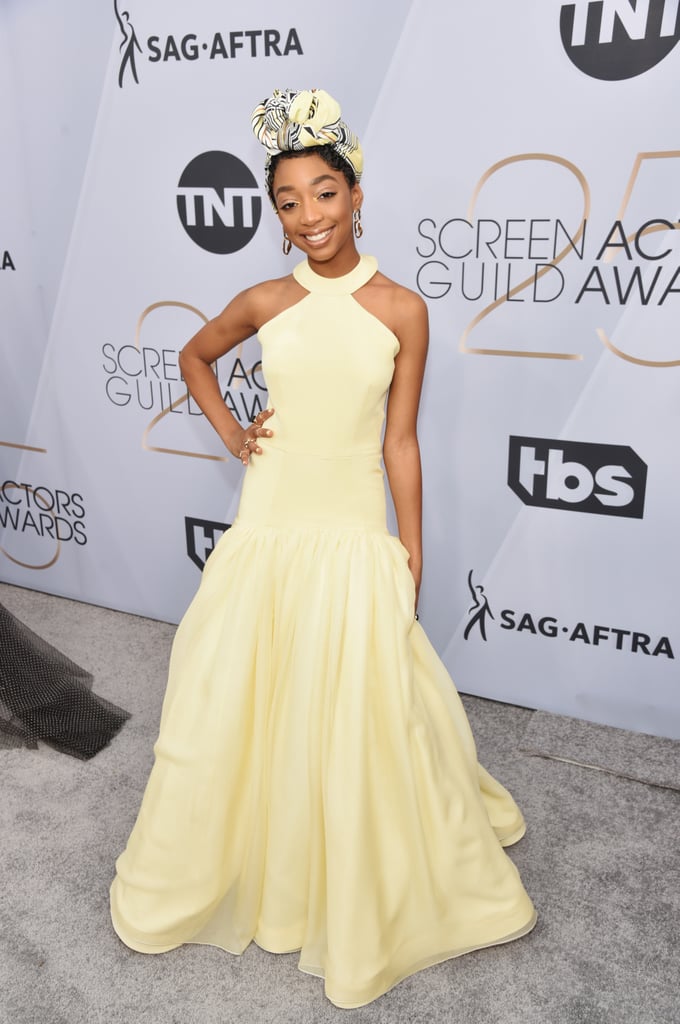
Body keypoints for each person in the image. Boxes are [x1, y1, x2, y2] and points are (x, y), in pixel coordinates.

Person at [110, 88, 536, 1008]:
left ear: (356, 195)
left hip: (349, 526)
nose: (309, 217)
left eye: (325, 193)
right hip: (269, 520)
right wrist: (234, 434)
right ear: (276, 213)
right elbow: (195, 355)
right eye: (290, 202)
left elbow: (400, 443)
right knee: (234, 689)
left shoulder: (403, 310)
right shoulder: (263, 298)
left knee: (360, 703)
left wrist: (409, 551)